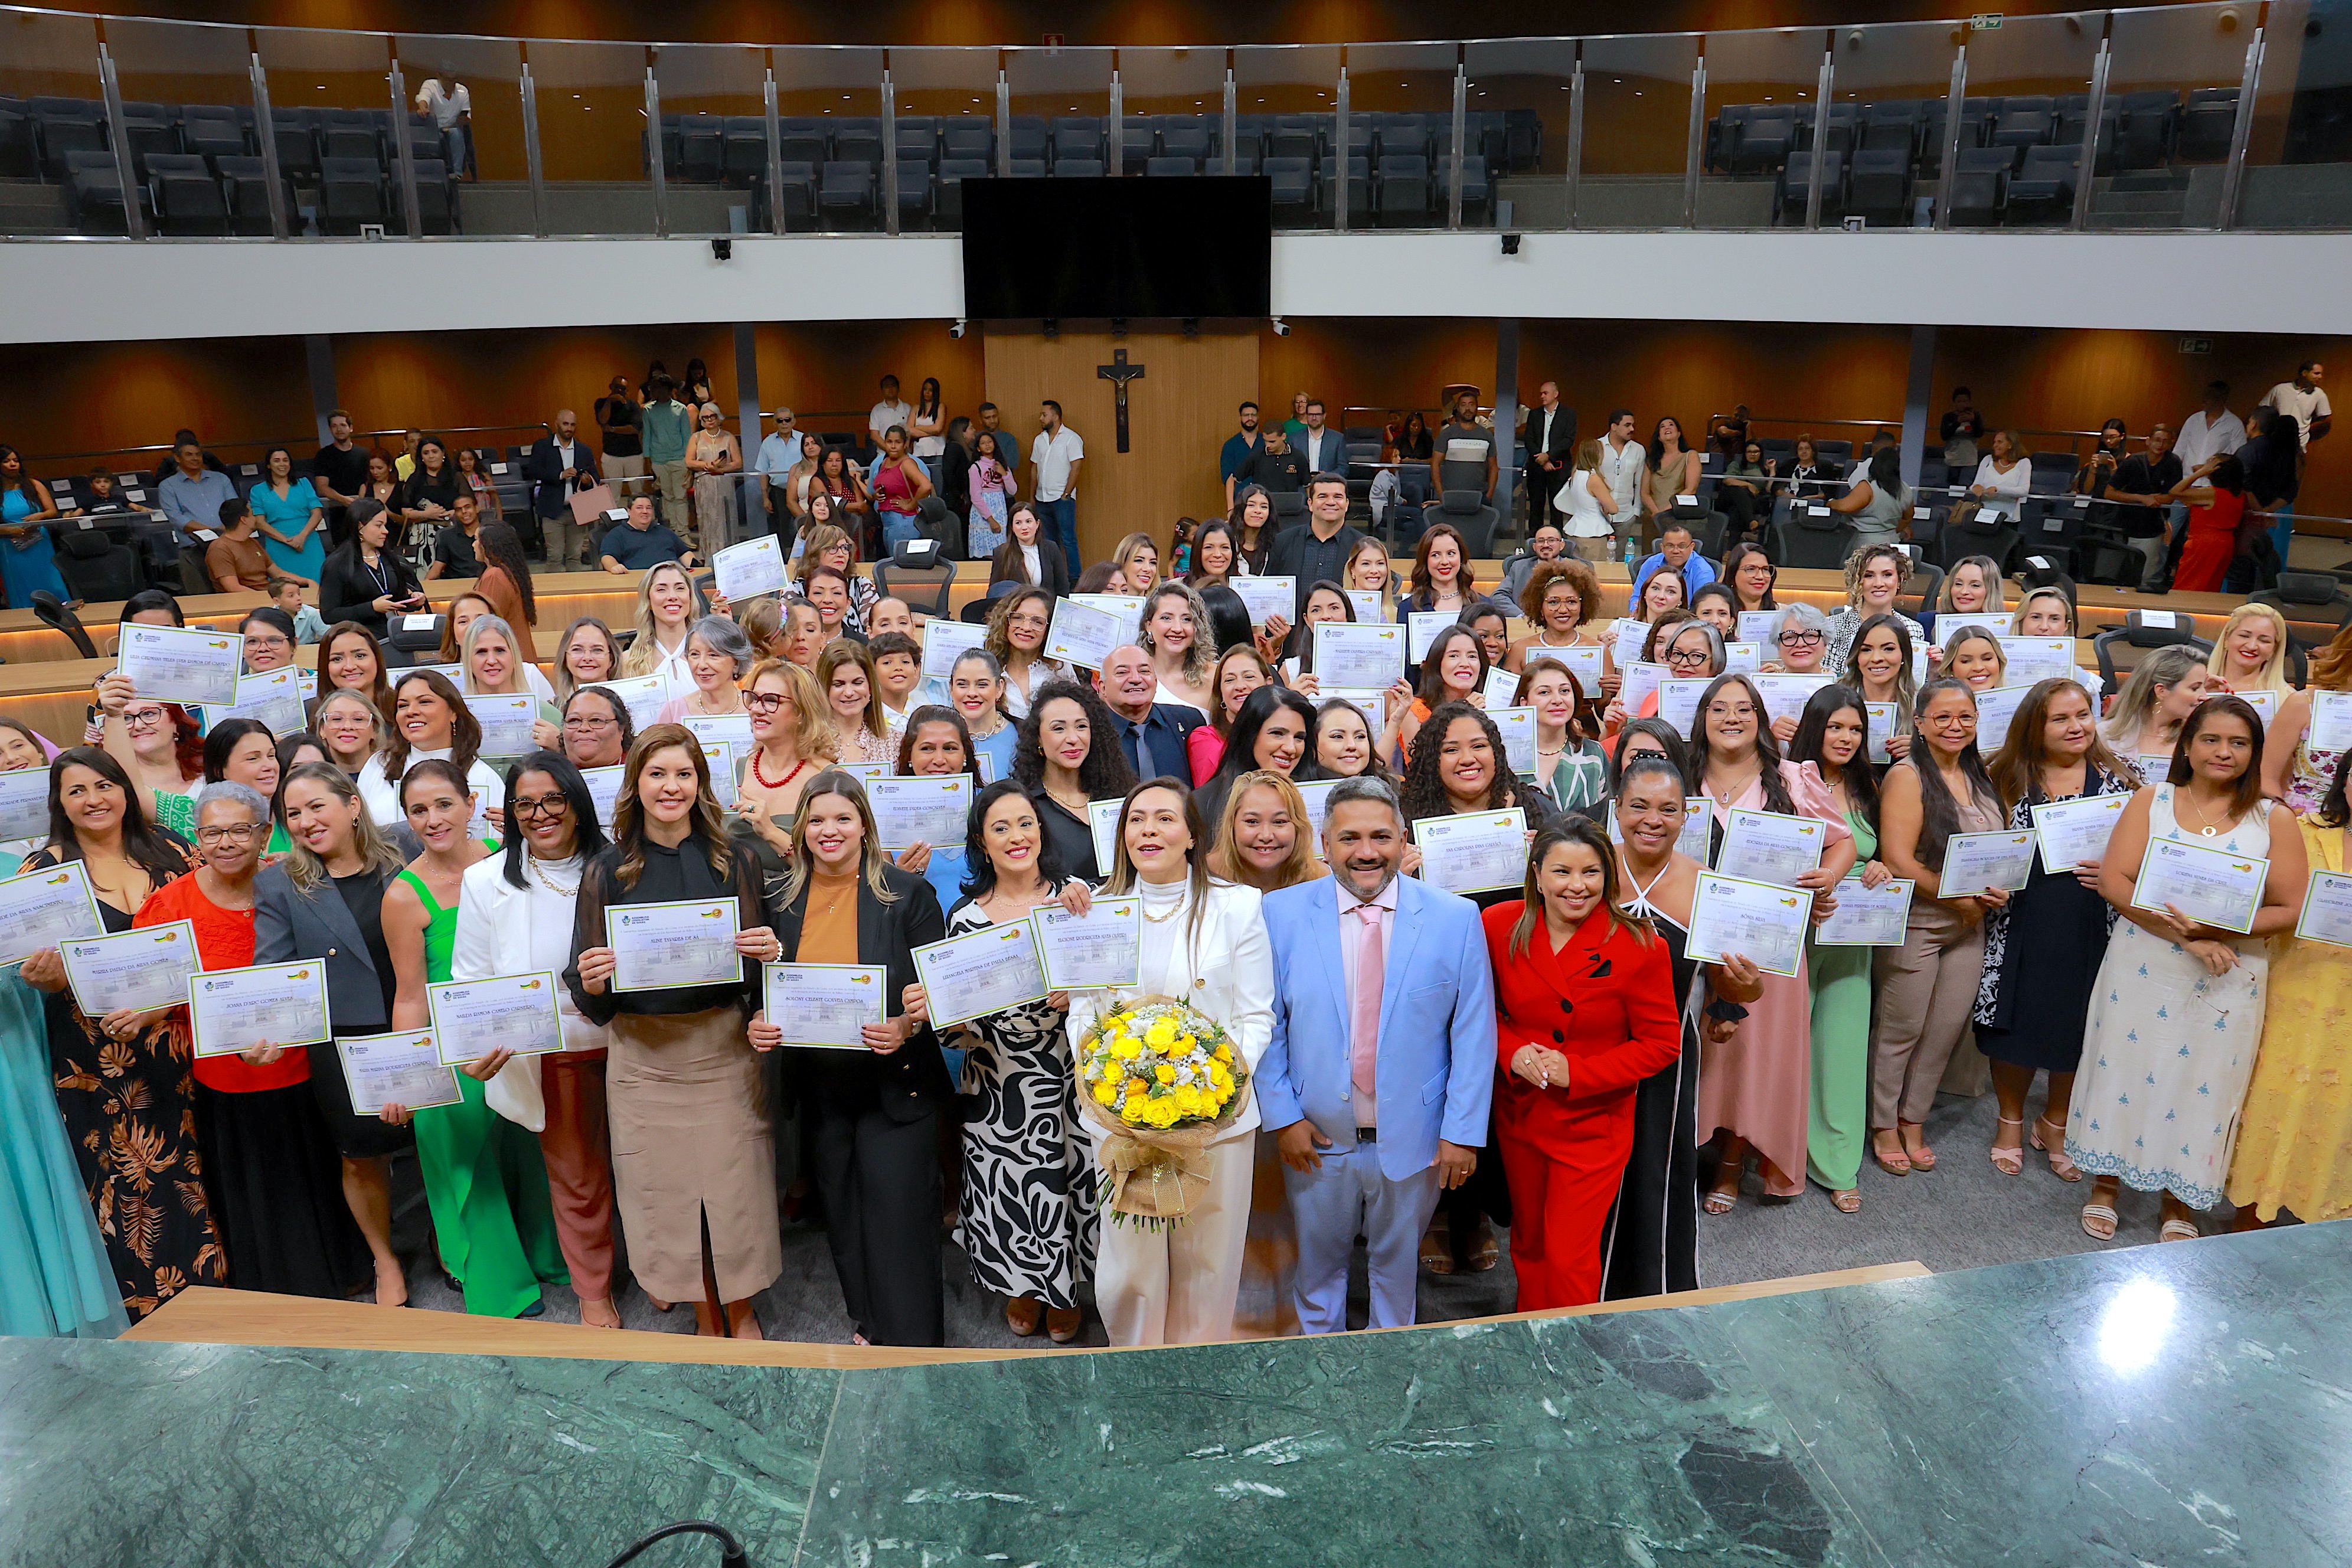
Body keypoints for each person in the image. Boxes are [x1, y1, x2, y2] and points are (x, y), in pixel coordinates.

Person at [1255, 775, 1492, 1329]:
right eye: (1350, 838)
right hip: (1314, 1135)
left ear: (1403, 840)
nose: (1367, 852)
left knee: (1397, 1269)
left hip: (1417, 1137)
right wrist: (1283, 1117)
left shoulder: (1456, 918)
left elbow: (1473, 1035)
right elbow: (1267, 1025)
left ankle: (1393, 1359)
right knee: (1318, 1270)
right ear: (1325, 844)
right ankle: (1321, 1362)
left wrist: (1462, 1131)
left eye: (1381, 837)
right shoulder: (1279, 914)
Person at [569, 727, 783, 1337]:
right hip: (643, 1058)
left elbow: (757, 974)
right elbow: (586, 989)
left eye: (683, 774)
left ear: (700, 784)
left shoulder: (735, 860)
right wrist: (594, 979)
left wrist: (769, 952)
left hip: (722, 1050)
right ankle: (703, 1307)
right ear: (635, 784)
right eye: (657, 774)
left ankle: (740, 1304)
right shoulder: (607, 871)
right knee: (664, 1194)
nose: (671, 786)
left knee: (736, 1187)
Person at [2071, 696, 2305, 1241]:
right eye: (2211, 739)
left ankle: (2180, 1200)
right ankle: (2105, 1185)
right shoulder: (2152, 800)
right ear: (2188, 746)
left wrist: (2217, 933)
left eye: (2239, 743)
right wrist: (2189, 938)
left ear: (2255, 752)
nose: (2224, 752)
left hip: (2229, 970)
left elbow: (2291, 908)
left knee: (2204, 1082)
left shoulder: (2273, 818)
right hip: (2144, 960)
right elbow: (2116, 882)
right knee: (2124, 1066)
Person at [1066, 779, 1273, 1345]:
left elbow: (1256, 1016)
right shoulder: (1094, 911)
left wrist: (1215, 1089)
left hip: (1217, 1120)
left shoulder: (1237, 906)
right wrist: (1110, 1086)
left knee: (1208, 1260)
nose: (1148, 831)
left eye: (1164, 818)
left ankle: (1197, 1371)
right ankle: (1135, 1368)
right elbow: (1083, 1013)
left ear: (1192, 835)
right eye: (1136, 820)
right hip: (1120, 1119)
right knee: (1130, 1267)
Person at [16, 750, 214, 1320]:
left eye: (104, 785)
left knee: (203, 1163)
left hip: (183, 1041)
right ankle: (153, 1313)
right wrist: (47, 980)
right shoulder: (43, 873)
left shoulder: (174, 849)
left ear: (125, 790)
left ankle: (225, 1292)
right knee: (128, 1182)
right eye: (77, 791)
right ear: (59, 803)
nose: (94, 799)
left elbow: (215, 919)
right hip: (98, 1059)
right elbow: (32, 969)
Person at [379, 760, 569, 1318]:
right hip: (451, 1051)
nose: (433, 819)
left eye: (444, 804)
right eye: (418, 810)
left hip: (517, 1036)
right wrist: (408, 1076)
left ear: (470, 803)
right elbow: (409, 995)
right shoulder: (403, 896)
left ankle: (549, 1257)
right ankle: (498, 1287)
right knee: (471, 1169)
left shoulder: (505, 856)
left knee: (528, 1153)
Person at [1482, 818, 1680, 1311]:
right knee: (1528, 1243)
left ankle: (1570, 1348)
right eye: (1562, 872)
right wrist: (1511, 1051)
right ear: (1537, 875)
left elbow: (1661, 1044)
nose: (1577, 886)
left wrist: (1579, 1072)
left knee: (1569, 1256)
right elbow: (1480, 1013)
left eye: (1591, 873)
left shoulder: (1640, 945)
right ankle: (1530, 1332)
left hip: (1592, 1124)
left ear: (1608, 877)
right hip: (1522, 1113)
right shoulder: (1498, 925)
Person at [932, 780, 1097, 1341]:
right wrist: (950, 1019)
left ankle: (1067, 1290)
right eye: (1000, 828)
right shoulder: (964, 919)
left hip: (1068, 1068)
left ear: (1041, 829)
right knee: (1009, 1186)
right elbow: (958, 1021)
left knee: (1071, 1181)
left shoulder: (1077, 898)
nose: (1016, 836)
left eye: (1026, 823)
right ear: (982, 842)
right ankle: (1024, 1286)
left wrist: (1082, 991)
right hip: (999, 1076)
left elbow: (1116, 973)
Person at [253, 762, 416, 1305]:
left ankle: (451, 1243)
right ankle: (385, 1260)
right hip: (344, 1041)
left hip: (421, 1021)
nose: (305, 822)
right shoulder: (278, 883)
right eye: (293, 814)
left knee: (440, 1142)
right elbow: (272, 971)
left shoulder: (408, 846)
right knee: (361, 1155)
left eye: (316, 806)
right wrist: (265, 1032)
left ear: (352, 805)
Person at [1690, 675, 1856, 1210]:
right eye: (1719, 708)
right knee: (1701, 1053)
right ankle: (1684, 1155)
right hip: (1695, 940)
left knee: (1752, 1059)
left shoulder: (1792, 778)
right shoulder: (1683, 776)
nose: (1732, 718)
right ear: (1702, 718)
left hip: (1771, 944)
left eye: (1744, 709)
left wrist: (1827, 878)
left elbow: (1843, 842)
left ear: (1760, 719)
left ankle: (1733, 1163)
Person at [1974, 678, 2131, 1181]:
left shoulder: (2123, 779)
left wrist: (2117, 870)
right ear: (2034, 727)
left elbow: (2145, 853)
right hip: (2020, 920)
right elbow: (1980, 848)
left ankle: (2056, 1122)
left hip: (2094, 922)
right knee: (2014, 1025)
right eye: (2060, 719)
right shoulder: (2001, 776)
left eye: (2083, 715)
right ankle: (2010, 1121)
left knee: (2078, 1025)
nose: (2076, 727)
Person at [0, 744, 128, 1337]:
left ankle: (55, 1315)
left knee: (32, 1168)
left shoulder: (18, 871)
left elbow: (47, 963)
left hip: (14, 1046)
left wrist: (50, 973)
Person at [1866, 678, 2005, 1178]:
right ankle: (1884, 1123)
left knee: (1943, 1033)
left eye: (1965, 717)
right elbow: (1899, 860)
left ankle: (1914, 1118)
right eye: (1942, 717)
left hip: (1970, 924)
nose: (1955, 726)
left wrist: (1998, 892)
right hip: (1919, 923)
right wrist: (1959, 901)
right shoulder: (1907, 776)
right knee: (1901, 1030)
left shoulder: (1980, 773)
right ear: (1920, 724)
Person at [2229, 747, 2352, 1226]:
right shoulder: (2302, 832)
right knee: (2270, 1099)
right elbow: (2260, 899)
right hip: (2293, 990)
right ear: (2343, 780)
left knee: (2337, 1113)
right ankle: (2247, 1215)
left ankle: (2321, 1226)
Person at [1781, 688, 1884, 1213]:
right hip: (1796, 931)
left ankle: (1838, 1164)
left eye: (1856, 729)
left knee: (1841, 1049)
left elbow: (1882, 851)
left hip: (1850, 937)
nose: (1846, 738)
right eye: (1835, 727)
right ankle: (1778, 1154)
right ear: (1814, 727)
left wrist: (1881, 865)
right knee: (1787, 1045)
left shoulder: (1869, 786)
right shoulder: (1785, 778)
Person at [1013, 678, 1138, 881]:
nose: (1073, 738)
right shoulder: (1023, 804)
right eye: (1058, 729)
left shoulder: (1120, 793)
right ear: (1038, 738)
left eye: (1081, 726)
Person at [356, 670, 502, 828]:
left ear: (453, 712)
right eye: (403, 705)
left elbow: (495, 840)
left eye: (425, 702)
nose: (411, 711)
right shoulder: (379, 765)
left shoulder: (483, 776)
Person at [731, 659, 835, 880]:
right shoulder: (735, 769)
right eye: (753, 698)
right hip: (738, 896)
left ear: (801, 712)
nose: (756, 709)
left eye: (771, 701)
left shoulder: (829, 780)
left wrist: (770, 832)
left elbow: (833, 871)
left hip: (799, 897)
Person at [1194, 684, 1319, 838]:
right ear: (1250, 735)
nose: (1291, 748)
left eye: (1299, 738)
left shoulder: (1317, 797)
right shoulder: (1201, 805)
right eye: (1278, 734)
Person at [2103, 645, 2216, 784]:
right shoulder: (2105, 736)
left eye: (2204, 687)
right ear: (2161, 691)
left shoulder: (2199, 738)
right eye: (2195, 688)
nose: (2204, 696)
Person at [1096, 642, 1206, 783]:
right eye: (1122, 673)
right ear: (1103, 687)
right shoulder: (1088, 732)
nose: (1136, 679)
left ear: (1155, 681)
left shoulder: (1188, 721)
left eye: (1144, 671)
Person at [320, 499, 427, 643]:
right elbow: (329, 614)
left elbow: (395, 599)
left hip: (393, 636)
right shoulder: (337, 564)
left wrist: (412, 601)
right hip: (358, 639)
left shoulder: (391, 558)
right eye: (378, 525)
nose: (385, 531)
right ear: (360, 526)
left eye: (385, 525)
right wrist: (371, 608)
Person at [1206, 769, 1329, 893]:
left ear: (1298, 827)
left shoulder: (1323, 881)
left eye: (1279, 822)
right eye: (1252, 822)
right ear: (1232, 825)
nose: (1266, 836)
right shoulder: (1204, 875)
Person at [1263, 474, 1366, 619]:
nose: (1331, 502)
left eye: (1338, 497)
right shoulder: (1282, 542)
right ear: (1310, 504)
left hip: (1343, 631)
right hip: (1291, 631)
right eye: (1323, 496)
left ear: (1347, 504)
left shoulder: (1362, 547)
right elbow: (1270, 591)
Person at [1516, 658, 1608, 815]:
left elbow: (1609, 817)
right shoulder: (1507, 756)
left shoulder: (1594, 753)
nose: (1558, 700)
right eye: (1544, 692)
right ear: (1524, 703)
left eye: (1564, 691)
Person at [2259, 360, 2331, 560]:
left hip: (2297, 447)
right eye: (2316, 373)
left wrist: (2308, 433)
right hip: (2273, 445)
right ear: (2304, 373)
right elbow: (2263, 409)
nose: (2320, 377)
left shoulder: (2319, 394)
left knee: (2289, 487)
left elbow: (2326, 419)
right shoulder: (2280, 389)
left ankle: (2283, 523)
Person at [1822, 544, 1926, 680]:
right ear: (1857, 581)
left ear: (1900, 580)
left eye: (1887, 575)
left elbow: (1912, 681)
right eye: (1869, 576)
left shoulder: (1913, 629)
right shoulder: (1831, 627)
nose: (1879, 583)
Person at [2167, 452, 2249, 594]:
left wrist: (2200, 473)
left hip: (2204, 543)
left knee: (2189, 584)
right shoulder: (2240, 494)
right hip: (2225, 542)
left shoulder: (2211, 493)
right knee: (2210, 585)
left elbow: (2175, 492)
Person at [618, 560, 705, 694]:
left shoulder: (712, 654)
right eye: (661, 590)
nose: (672, 596)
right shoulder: (628, 662)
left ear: (690, 597)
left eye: (680, 588)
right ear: (648, 600)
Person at [244, 445, 328, 583]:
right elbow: (259, 522)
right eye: (277, 461)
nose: (282, 464)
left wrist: (301, 537)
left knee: (317, 584)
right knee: (284, 587)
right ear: (269, 465)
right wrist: (287, 541)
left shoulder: (304, 484)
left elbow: (317, 514)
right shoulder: (258, 490)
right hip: (278, 546)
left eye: (285, 460)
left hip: (308, 542)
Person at [1845, 613, 1919, 762]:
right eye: (1866, 650)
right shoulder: (1837, 698)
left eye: (1888, 649)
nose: (1876, 658)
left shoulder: (1923, 702)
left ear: (1904, 655)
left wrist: (1920, 749)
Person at [1140, 581, 1217, 717]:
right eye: (1166, 618)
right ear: (1149, 625)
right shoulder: (1135, 677)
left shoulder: (1216, 677)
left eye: (1186, 619)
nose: (1177, 628)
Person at [816, 637, 897, 765]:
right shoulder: (807, 744)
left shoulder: (896, 743)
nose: (849, 693)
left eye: (858, 683)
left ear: (870, 686)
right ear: (824, 688)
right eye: (838, 685)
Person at [947, 647, 1020, 783]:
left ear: (999, 688)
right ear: (951, 688)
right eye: (962, 684)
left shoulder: (1023, 736)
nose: (972, 693)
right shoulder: (939, 736)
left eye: (982, 685)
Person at [1030, 399, 1085, 570]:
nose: (1041, 418)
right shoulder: (1039, 440)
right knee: (1048, 542)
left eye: (1044, 415)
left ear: (1056, 416)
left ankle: (1074, 578)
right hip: (1042, 498)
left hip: (1062, 499)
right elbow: (1034, 468)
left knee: (1068, 540)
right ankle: (1053, 577)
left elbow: (1077, 466)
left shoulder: (1071, 438)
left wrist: (1066, 494)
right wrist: (1032, 496)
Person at [1827, 446, 1910, 549]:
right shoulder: (1905, 488)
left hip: (1866, 544)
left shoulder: (1867, 487)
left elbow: (1844, 507)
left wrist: (1831, 502)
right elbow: (1908, 517)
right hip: (1892, 540)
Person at [987, 499, 1072, 600]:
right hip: (1016, 608)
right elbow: (995, 591)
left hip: (1047, 607)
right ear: (1012, 528)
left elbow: (1062, 587)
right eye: (1018, 523)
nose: (1024, 527)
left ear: (1037, 524)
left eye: (1028, 522)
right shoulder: (1001, 552)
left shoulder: (1051, 548)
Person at [2206, 603, 2294, 700]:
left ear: (2274, 650)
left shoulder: (2288, 698)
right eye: (2244, 636)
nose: (2252, 646)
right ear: (2226, 638)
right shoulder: (2198, 687)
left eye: (2264, 641)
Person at [868, 424, 934, 551]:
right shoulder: (885, 462)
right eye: (889, 442)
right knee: (893, 559)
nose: (893, 446)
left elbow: (926, 486)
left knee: (901, 561)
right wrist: (877, 495)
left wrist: (910, 505)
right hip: (887, 520)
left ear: (905, 444)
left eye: (898, 442)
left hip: (903, 521)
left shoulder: (907, 463)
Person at [309, 410, 373, 540]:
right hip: (338, 514)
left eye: (343, 425)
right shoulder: (323, 456)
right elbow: (322, 487)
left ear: (351, 428)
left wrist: (359, 503)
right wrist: (343, 500)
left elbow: (368, 481)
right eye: (334, 426)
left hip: (364, 512)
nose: (339, 429)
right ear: (330, 429)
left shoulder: (365, 454)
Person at [642, 374, 693, 531]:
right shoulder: (648, 410)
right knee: (667, 496)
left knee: (680, 497)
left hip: (679, 459)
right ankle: (671, 530)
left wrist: (688, 461)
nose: (653, 392)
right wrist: (648, 461)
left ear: (666, 389)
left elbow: (687, 436)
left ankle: (683, 531)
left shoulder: (681, 409)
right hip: (658, 460)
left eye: (656, 388)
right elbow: (647, 436)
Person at [155, 437, 237, 534]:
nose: (195, 458)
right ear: (177, 458)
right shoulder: (167, 486)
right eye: (189, 455)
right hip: (194, 541)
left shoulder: (221, 479)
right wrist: (212, 532)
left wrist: (225, 529)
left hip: (228, 536)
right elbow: (177, 518)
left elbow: (235, 507)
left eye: (198, 454)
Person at [1432, 387, 1498, 499]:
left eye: (1471, 404)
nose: (1468, 409)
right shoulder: (1447, 434)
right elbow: (1435, 464)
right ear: (1458, 408)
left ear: (1477, 407)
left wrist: (1489, 495)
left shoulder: (1487, 436)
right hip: (1450, 495)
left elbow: (1494, 467)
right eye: (1463, 405)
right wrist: (1441, 494)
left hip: (1479, 497)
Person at [1632, 517, 1720, 599]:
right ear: (1662, 548)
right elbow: (1636, 597)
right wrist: (1637, 608)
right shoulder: (1651, 563)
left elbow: (1702, 606)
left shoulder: (1703, 571)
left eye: (1682, 546)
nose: (1676, 551)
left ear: (1691, 547)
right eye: (1670, 546)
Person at [1642, 416, 1701, 531]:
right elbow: (1644, 493)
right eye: (1662, 427)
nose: (1667, 428)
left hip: (1678, 515)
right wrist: (1657, 513)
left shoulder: (1690, 455)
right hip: (1652, 516)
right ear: (1659, 437)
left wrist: (1666, 512)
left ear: (1679, 433)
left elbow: (1691, 489)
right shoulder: (1651, 460)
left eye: (1671, 425)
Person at [965, 428, 1018, 558]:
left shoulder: (1001, 465)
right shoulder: (976, 468)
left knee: (1001, 552)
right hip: (983, 512)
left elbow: (1013, 490)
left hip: (999, 508)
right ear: (978, 448)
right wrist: (991, 520)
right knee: (987, 554)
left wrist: (1004, 474)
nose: (987, 445)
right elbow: (976, 497)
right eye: (983, 443)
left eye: (990, 442)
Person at [596, 375, 646, 504]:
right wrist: (609, 402)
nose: (620, 391)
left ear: (627, 390)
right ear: (611, 387)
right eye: (617, 387)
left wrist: (613, 429)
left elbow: (635, 429)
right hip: (611, 454)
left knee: (638, 492)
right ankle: (614, 517)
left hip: (633, 455)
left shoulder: (633, 405)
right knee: (613, 495)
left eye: (623, 388)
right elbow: (603, 420)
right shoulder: (601, 403)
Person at [553, 616, 624, 705]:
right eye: (577, 650)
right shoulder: (551, 710)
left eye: (597, 650)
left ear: (611, 659)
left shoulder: (631, 703)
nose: (587, 658)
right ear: (565, 659)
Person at [315, 689, 384, 779]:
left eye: (358, 719)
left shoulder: (393, 774)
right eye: (337, 719)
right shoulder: (312, 777)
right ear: (322, 729)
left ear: (374, 730)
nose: (347, 726)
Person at [1966, 430, 2031, 525]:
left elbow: (2024, 491)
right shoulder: (1987, 460)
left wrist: (1997, 489)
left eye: (2000, 442)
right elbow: (1976, 484)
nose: (1995, 446)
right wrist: (1976, 487)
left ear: (2010, 445)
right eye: (1995, 442)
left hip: (2009, 517)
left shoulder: (2024, 463)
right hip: (1984, 514)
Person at [1717, 439, 1775, 538]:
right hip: (1727, 498)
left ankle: (1731, 546)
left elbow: (1768, 489)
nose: (1753, 454)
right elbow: (1727, 480)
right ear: (1745, 453)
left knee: (1736, 510)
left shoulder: (1763, 469)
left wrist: (1772, 470)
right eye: (1749, 452)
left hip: (1751, 502)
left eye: (1756, 452)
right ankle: (1750, 521)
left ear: (1761, 453)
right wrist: (1748, 485)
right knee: (1738, 489)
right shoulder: (1737, 464)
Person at [1219, 400, 1263, 508]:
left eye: (1253, 415)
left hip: (1264, 499)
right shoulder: (1230, 445)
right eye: (1246, 415)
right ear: (1240, 418)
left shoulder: (1266, 443)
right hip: (1240, 501)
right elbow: (1228, 479)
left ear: (1258, 417)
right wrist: (1231, 509)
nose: (1250, 418)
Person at [1185, 519, 1247, 592]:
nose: (1217, 554)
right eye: (1208, 547)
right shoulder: (1179, 589)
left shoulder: (1249, 585)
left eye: (1225, 547)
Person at [1941, 387, 1986, 470]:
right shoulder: (1948, 417)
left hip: (1970, 461)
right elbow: (1944, 436)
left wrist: (1973, 421)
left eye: (1965, 401)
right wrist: (1957, 422)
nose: (1962, 404)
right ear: (1954, 403)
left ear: (1969, 402)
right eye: (1959, 401)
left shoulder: (1975, 416)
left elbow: (1980, 433)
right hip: (1952, 460)